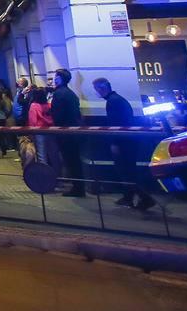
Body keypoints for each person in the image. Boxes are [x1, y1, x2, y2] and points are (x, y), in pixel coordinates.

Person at [93, 77, 155, 212]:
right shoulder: (116, 99)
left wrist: (115, 142)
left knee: (126, 171)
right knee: (127, 170)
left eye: (96, 89)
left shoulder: (112, 102)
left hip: (124, 141)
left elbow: (115, 124)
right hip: (129, 140)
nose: (96, 92)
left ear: (102, 88)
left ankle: (144, 197)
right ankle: (129, 196)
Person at [50, 68, 85, 197]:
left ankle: (78, 188)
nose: (54, 79)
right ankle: (79, 186)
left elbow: (57, 115)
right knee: (74, 160)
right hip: (74, 132)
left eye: (56, 77)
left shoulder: (59, 94)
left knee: (71, 160)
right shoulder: (70, 93)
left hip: (65, 133)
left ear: (61, 78)